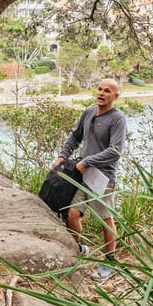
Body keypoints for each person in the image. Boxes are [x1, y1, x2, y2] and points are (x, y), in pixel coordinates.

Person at [52, 78, 126, 282]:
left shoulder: (118, 119)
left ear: (115, 96)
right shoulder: (88, 112)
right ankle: (78, 249)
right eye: (100, 89)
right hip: (83, 174)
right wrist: (62, 155)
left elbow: (115, 151)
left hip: (103, 178)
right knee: (73, 213)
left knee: (105, 219)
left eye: (107, 91)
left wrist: (88, 161)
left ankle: (110, 262)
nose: (102, 93)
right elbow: (75, 136)